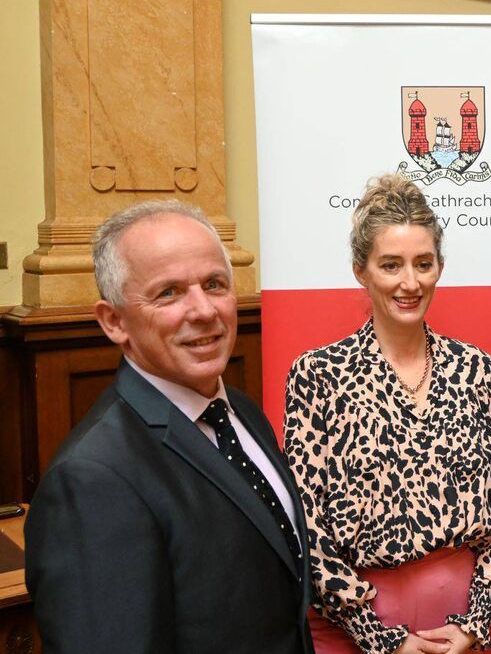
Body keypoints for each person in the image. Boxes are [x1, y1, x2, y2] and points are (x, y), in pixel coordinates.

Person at [26, 200, 313, 654]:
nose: (203, 310)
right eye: (169, 293)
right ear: (114, 321)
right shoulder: (93, 479)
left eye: (214, 284)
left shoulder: (242, 413)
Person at [285, 174, 491, 654]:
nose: (410, 283)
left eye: (423, 264)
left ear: (439, 267)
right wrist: (382, 638)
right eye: (391, 265)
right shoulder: (317, 377)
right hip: (354, 632)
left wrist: (475, 620)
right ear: (360, 271)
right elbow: (306, 526)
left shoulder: (477, 370)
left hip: (460, 633)